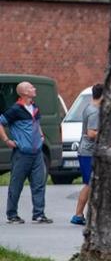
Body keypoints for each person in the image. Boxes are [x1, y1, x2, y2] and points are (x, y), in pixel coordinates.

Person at [0, 82, 53, 224]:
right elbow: (1, 122)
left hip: (37, 153)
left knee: (39, 184)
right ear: (23, 93)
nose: (34, 89)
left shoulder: (35, 107)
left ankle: (39, 214)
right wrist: (7, 140)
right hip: (22, 153)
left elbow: (37, 124)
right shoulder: (15, 109)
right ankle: (12, 215)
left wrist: (41, 136)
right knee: (16, 184)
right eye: (31, 88)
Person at [70, 83, 104, 225]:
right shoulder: (94, 111)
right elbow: (91, 133)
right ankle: (78, 215)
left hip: (88, 151)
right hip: (88, 152)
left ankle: (89, 215)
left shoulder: (89, 107)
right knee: (89, 183)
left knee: (92, 183)